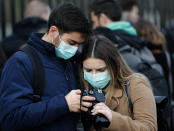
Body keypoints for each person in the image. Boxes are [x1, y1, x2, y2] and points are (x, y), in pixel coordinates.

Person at [0, 3, 91, 130]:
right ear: (53, 31)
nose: (75, 49)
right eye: (71, 43)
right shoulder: (21, 62)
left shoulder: (71, 61)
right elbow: (11, 118)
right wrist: (63, 103)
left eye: (78, 45)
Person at [80, 35, 157, 131]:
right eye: (88, 70)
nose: (94, 75)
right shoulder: (83, 89)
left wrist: (113, 118)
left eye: (101, 70)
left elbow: (149, 128)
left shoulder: (135, 84)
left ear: (114, 66)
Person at [90, 0, 163, 74]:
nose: (93, 27)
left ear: (103, 18)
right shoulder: (133, 35)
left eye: (93, 22)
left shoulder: (107, 41)